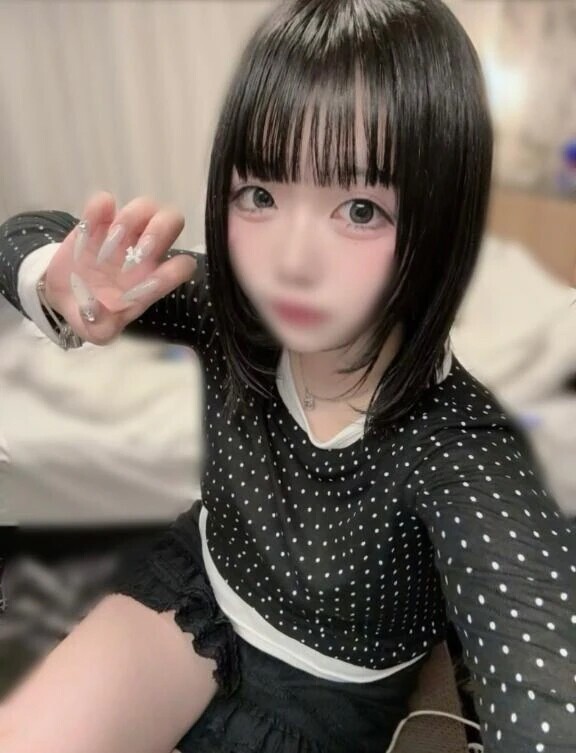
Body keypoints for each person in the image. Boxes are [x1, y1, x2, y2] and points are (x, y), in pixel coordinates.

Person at [0, 0, 574, 751]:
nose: (291, 263)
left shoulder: (460, 448)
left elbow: (546, 688)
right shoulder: (226, 309)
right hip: (196, 589)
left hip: (322, 693)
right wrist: (59, 281)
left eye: (360, 209)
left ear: (441, 218)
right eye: (262, 195)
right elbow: (22, 236)